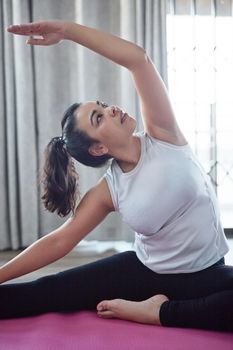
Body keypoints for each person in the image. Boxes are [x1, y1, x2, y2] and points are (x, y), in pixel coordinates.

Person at [2, 20, 233, 331]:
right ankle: (170, 310)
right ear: (98, 149)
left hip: (207, 272)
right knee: (47, 290)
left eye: (103, 105)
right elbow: (59, 242)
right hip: (144, 270)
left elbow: (137, 60)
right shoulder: (108, 191)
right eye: (99, 117)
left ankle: (158, 312)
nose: (111, 109)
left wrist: (68, 32)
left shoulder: (163, 136)